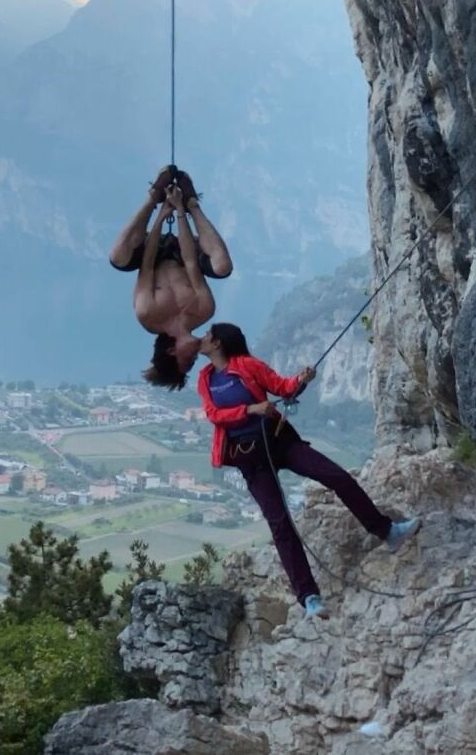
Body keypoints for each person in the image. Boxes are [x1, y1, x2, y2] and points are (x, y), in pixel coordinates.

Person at [197, 322, 421, 618]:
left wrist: (301, 379)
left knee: (336, 476)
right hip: (249, 457)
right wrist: (250, 410)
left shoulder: (247, 365)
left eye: (207, 336)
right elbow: (214, 415)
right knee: (280, 524)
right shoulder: (206, 378)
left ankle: (386, 530)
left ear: (218, 343)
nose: (202, 339)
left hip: (278, 440)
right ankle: (309, 597)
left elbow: (281, 386)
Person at [109, 166, 232, 388]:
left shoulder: (148, 314)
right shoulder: (204, 310)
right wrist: (181, 210)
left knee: (118, 257)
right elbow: (191, 263)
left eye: (188, 359)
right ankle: (193, 203)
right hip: (182, 255)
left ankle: (152, 197)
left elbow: (146, 268)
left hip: (153, 254)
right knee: (222, 266)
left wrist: (161, 214)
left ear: (171, 350)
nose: (195, 355)